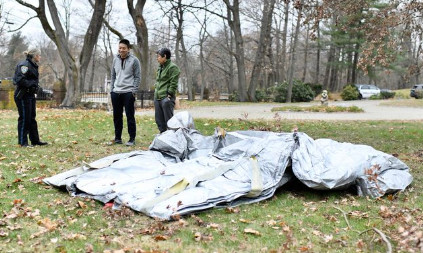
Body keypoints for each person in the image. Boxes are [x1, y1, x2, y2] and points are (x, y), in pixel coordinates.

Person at [13, 48, 48, 147]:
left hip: (30, 95)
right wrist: (32, 84)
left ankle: (35, 140)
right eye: (39, 55)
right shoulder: (24, 65)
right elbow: (19, 80)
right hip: (23, 95)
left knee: (32, 118)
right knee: (25, 118)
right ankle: (23, 142)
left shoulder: (33, 65)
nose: (40, 57)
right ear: (35, 56)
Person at [110, 39, 141, 146]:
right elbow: (113, 76)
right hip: (116, 92)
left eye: (123, 48)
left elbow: (137, 76)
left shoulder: (134, 60)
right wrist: (111, 90)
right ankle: (117, 138)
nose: (121, 50)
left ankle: (131, 139)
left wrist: (134, 91)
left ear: (128, 49)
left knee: (130, 116)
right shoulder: (115, 60)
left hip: (128, 92)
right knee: (117, 116)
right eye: (120, 48)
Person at [154, 48, 180, 133]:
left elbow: (174, 82)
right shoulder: (160, 68)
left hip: (166, 98)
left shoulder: (173, 67)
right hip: (158, 97)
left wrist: (169, 94)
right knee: (159, 120)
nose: (157, 58)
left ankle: (172, 136)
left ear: (164, 56)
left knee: (169, 121)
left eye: (158, 56)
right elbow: (158, 81)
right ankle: (163, 136)